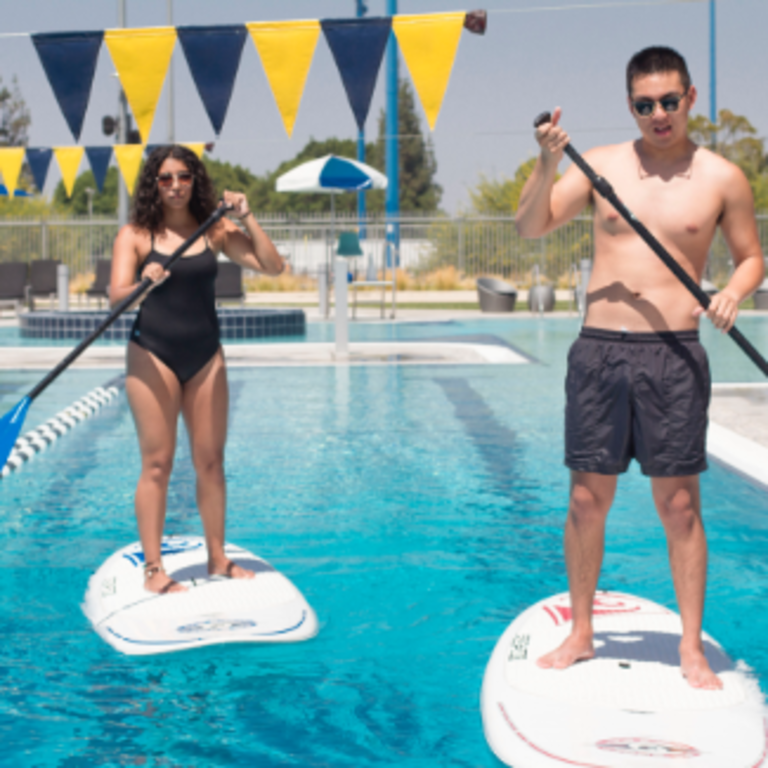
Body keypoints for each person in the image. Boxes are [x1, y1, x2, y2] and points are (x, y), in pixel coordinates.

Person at [515, 46, 765, 689]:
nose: (659, 114)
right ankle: (580, 632)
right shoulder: (597, 168)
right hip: (599, 348)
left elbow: (750, 257)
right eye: (645, 104)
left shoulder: (721, 178)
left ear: (690, 98)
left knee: (680, 505)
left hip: (674, 355)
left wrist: (735, 291)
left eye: (669, 101)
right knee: (583, 501)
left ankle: (689, 646)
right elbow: (531, 225)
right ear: (631, 105)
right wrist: (547, 162)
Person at [110, 145, 285, 594]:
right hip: (153, 353)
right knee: (158, 463)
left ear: (195, 180)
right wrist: (142, 284)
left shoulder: (216, 230)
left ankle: (217, 558)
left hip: (206, 356)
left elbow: (273, 267)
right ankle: (154, 571)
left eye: (183, 177)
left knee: (210, 461)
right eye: (165, 178)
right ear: (153, 183)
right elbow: (115, 298)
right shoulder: (134, 234)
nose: (174, 186)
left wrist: (247, 216)